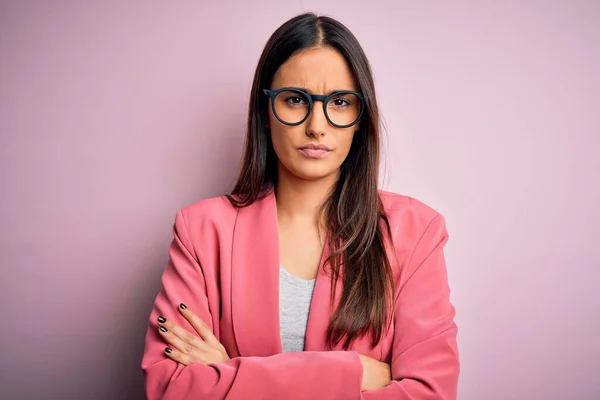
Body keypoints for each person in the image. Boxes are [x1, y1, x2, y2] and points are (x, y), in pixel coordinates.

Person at [141, 12, 459, 399]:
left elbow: (430, 394)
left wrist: (228, 374)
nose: (317, 125)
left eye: (340, 102)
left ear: (361, 118)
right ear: (265, 112)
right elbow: (170, 389)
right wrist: (352, 371)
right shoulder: (202, 230)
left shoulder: (415, 232)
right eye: (295, 100)